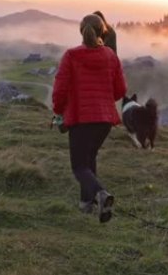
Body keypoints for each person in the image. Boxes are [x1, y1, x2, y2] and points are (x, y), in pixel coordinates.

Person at [52, 14, 126, 223]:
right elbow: (120, 90)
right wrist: (102, 98)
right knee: (89, 158)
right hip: (104, 120)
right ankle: (87, 204)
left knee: (78, 166)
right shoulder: (111, 56)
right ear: (103, 32)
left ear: (81, 31)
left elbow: (60, 89)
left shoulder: (71, 56)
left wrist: (58, 111)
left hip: (80, 118)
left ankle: (100, 194)